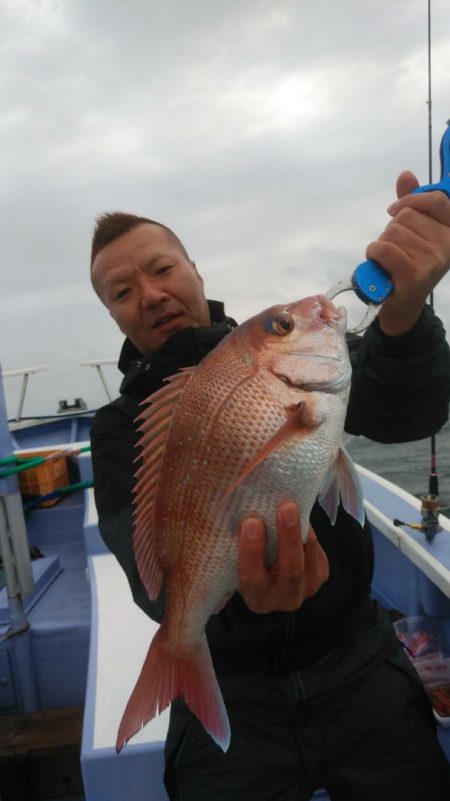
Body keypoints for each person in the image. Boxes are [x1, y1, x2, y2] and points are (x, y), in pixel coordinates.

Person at [90, 172, 450, 801]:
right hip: (234, 688)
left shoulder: (291, 366)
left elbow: (405, 411)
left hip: (358, 659)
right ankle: (183, 661)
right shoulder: (121, 427)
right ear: (113, 313)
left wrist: (406, 313)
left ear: (196, 271)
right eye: (123, 292)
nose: (150, 295)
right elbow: (154, 575)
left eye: (163, 269)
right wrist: (198, 618)